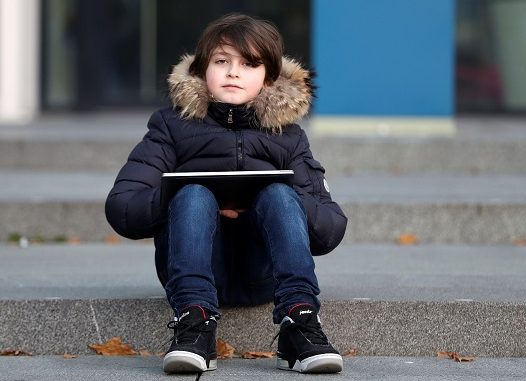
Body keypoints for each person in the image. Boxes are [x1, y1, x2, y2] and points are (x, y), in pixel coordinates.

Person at [105, 13, 347, 374]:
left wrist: (269, 194)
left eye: (249, 64)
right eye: (222, 61)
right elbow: (123, 206)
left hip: (261, 269)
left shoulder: (289, 137)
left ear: (268, 78)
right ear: (203, 70)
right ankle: (194, 323)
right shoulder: (170, 126)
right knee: (193, 193)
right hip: (193, 266)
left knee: (279, 195)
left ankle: (299, 321)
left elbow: (330, 227)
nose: (233, 73)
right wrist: (178, 193)